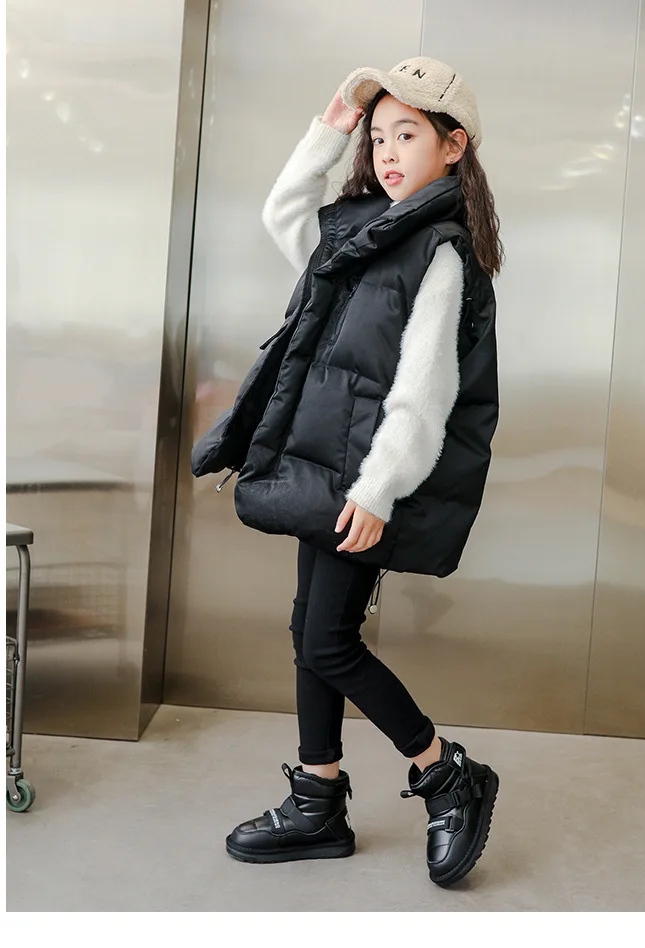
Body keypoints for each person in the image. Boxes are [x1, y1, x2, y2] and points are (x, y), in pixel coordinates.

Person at [191, 57, 503, 887]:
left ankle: (446, 771)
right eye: (380, 137)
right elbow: (284, 213)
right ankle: (317, 797)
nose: (389, 152)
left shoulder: (441, 251)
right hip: (319, 468)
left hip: (365, 482)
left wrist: (377, 491)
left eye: (409, 134)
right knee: (312, 632)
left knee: (326, 640)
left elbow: (424, 391)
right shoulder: (356, 232)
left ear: (454, 146)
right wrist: (329, 131)